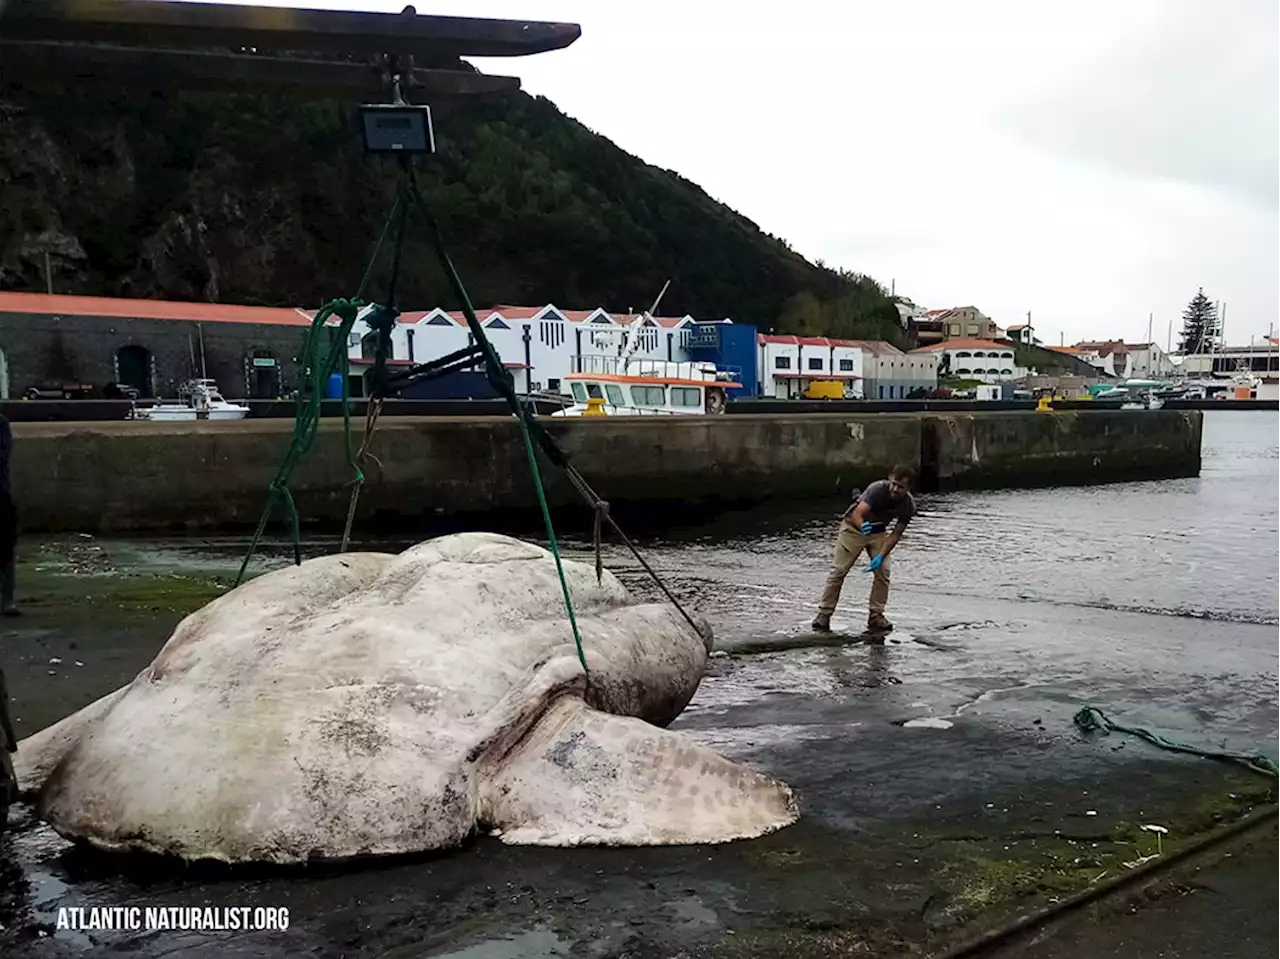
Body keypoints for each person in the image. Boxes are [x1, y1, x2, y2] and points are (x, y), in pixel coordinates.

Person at [812, 464, 917, 633]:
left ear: (909, 488)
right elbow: (857, 514)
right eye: (894, 483)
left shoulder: (908, 505)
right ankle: (824, 613)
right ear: (890, 479)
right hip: (853, 529)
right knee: (839, 571)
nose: (895, 489)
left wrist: (880, 556)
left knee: (883, 572)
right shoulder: (877, 489)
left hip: (878, 533)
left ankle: (876, 615)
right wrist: (862, 526)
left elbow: (896, 534)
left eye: (901, 487)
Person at [0, 413, 17, 616]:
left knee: (5, 548)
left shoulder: (1, 424)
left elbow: (2, 456)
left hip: (0, 495)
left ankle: (8, 599)